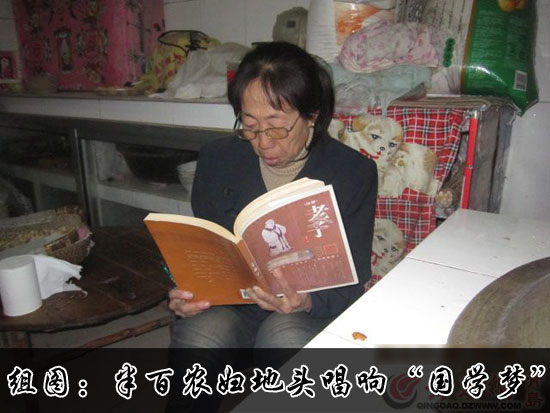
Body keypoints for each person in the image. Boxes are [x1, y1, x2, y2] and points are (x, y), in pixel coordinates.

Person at [168, 41, 377, 349]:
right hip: (233, 306)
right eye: (250, 126)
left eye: (277, 128)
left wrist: (307, 300)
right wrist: (185, 290)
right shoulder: (217, 159)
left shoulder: (352, 172)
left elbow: (353, 282)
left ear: (312, 116)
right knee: (200, 337)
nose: (263, 143)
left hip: (307, 310)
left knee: (283, 336)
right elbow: (204, 251)